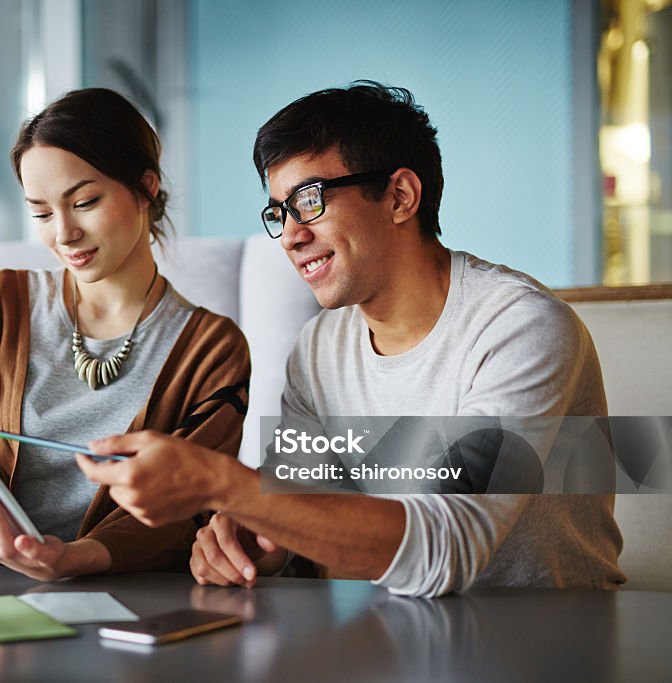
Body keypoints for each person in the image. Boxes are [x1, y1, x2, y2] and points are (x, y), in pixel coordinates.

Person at [79, 81, 626, 597]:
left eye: (311, 200)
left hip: (549, 646)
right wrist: (256, 540)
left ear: (400, 196)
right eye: (279, 212)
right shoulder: (319, 352)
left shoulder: (519, 327)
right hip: (399, 641)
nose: (292, 235)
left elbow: (450, 545)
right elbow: (306, 522)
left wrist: (225, 485)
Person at [0, 88, 250, 580]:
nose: (63, 233)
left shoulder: (212, 350)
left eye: (84, 202)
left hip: (130, 599)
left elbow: (192, 513)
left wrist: (75, 558)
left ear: (145, 187)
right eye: (40, 213)